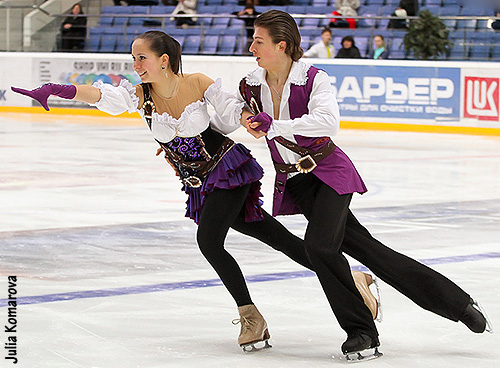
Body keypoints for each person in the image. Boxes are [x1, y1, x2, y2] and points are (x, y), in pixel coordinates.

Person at [11, 30, 381, 353]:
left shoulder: (199, 83)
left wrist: (251, 121)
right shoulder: (143, 95)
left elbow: (231, 111)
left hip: (229, 171)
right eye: (133, 58)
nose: (136, 64)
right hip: (199, 184)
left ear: (164, 60)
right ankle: (352, 279)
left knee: (209, 241)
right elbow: (103, 95)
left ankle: (250, 316)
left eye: (142, 57)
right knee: (278, 238)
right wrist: (60, 89)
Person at [236, 9, 492, 361]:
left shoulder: (312, 78)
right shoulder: (251, 83)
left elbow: (328, 121)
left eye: (258, 41)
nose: (251, 46)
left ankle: (361, 332)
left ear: (281, 45)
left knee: (320, 247)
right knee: (369, 251)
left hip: (329, 172)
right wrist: (242, 115)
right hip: (295, 181)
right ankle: (458, 304)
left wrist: (276, 125)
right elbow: (230, 107)